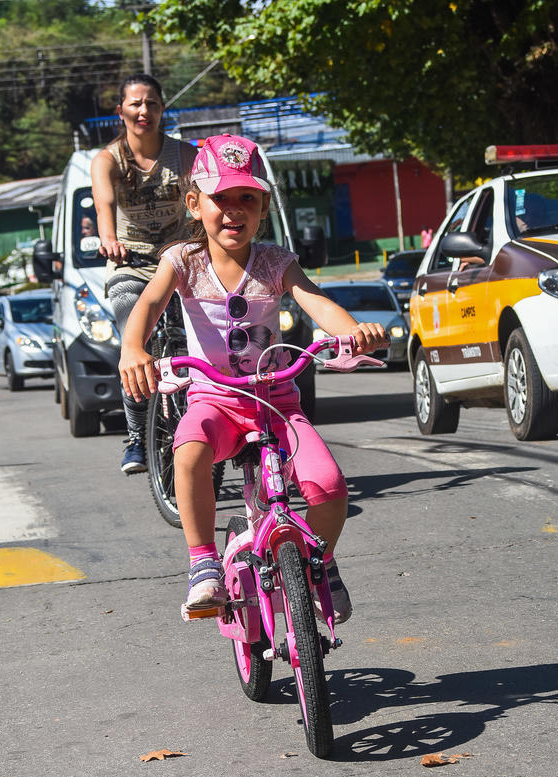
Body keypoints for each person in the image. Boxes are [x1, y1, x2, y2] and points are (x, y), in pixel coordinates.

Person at [118, 133, 389, 622]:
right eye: (221, 198)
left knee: (330, 488)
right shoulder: (182, 261)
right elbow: (151, 302)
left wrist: (354, 331)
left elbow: (315, 300)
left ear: (263, 207)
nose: (234, 210)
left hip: (276, 405)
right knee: (188, 449)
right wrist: (132, 347)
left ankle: (322, 562)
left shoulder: (276, 262)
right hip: (214, 401)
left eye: (247, 198)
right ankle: (203, 562)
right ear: (194, 204)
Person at [91, 72, 198, 475]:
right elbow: (104, 207)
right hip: (131, 265)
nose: (144, 111)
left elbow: (201, 204)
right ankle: (137, 436)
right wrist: (109, 240)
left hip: (180, 262)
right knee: (134, 340)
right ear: (120, 110)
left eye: (152, 103)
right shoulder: (107, 160)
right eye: (135, 104)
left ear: (162, 109)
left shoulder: (184, 154)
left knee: (203, 339)